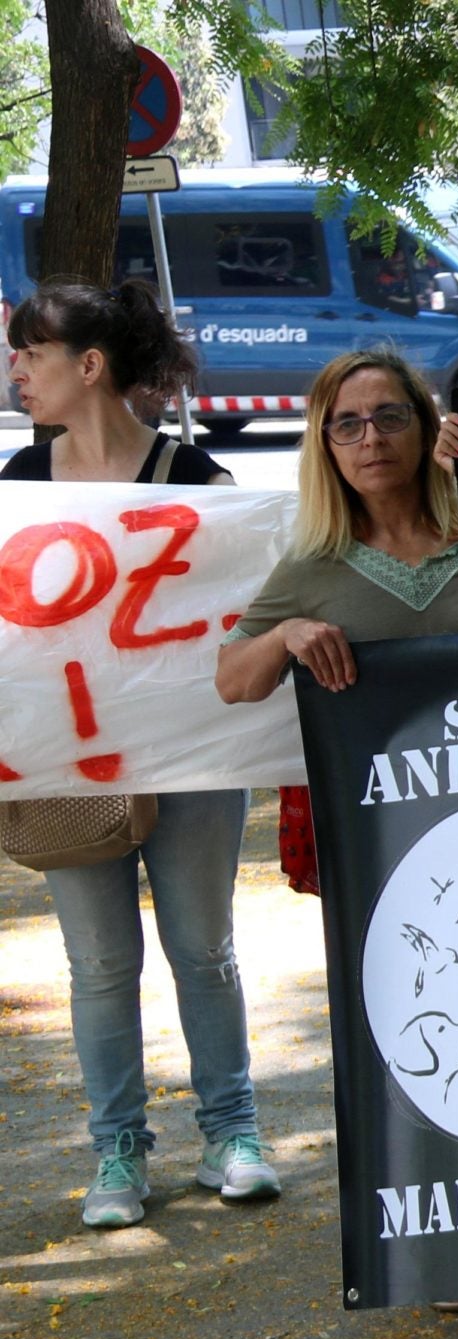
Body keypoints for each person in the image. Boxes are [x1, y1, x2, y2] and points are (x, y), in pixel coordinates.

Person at [213, 347, 458, 1310]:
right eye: (347, 424)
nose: (370, 440)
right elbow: (232, 676)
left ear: (424, 426)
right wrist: (285, 637)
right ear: (325, 446)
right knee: (425, 1041)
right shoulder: (316, 567)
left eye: (388, 418)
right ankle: (448, 1245)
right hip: (395, 863)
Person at [2, 282, 278, 1230]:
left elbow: (251, 607)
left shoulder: (196, 479)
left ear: (89, 367)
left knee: (203, 950)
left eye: (30, 354)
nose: (17, 372)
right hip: (73, 769)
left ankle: (232, 1133)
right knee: (100, 966)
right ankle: (118, 1149)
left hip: (195, 758)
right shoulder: (17, 482)